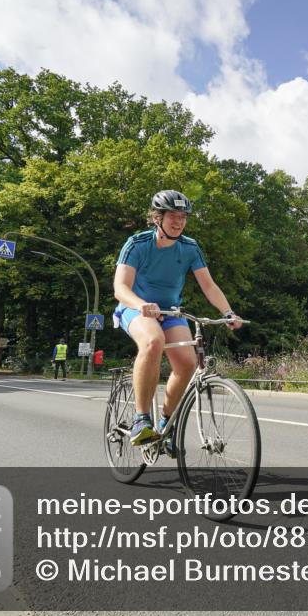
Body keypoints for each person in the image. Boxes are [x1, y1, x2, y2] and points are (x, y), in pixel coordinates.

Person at [113, 190, 242, 446]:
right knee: (152, 342)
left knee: (187, 362)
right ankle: (141, 419)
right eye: (173, 215)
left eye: (183, 216)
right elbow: (120, 288)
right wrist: (142, 305)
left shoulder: (190, 247)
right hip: (134, 308)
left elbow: (209, 285)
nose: (179, 221)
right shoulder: (137, 244)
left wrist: (227, 312)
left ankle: (166, 424)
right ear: (157, 217)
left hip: (171, 311)